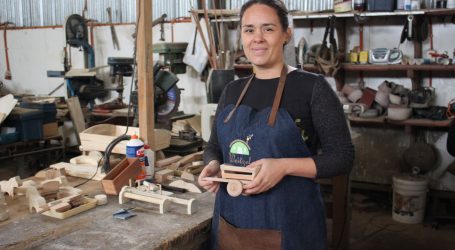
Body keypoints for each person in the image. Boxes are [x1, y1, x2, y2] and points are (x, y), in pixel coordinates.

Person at [198, 1, 355, 249]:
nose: (257, 38)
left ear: (286, 34)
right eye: (249, 30)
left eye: (268, 29)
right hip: (232, 223)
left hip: (290, 223)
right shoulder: (232, 91)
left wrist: (283, 167)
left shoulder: (312, 87)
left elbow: (343, 157)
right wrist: (212, 165)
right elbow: (214, 146)